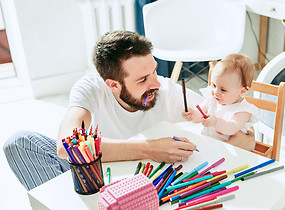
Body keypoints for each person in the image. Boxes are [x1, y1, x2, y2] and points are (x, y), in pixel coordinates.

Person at [3, 31, 255, 191]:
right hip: (102, 173)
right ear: (113, 85)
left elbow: (229, 121)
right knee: (19, 143)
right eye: (143, 79)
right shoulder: (91, 89)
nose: (156, 82)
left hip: (143, 184)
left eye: (155, 70)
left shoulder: (167, 91)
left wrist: (243, 134)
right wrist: (149, 147)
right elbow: (66, 145)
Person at [182, 54, 260, 142]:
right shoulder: (212, 99)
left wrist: (216, 121)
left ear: (242, 91)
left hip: (231, 149)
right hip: (209, 143)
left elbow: (232, 128)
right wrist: (192, 115)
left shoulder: (243, 110)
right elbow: (199, 117)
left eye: (223, 90)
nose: (215, 92)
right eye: (214, 85)